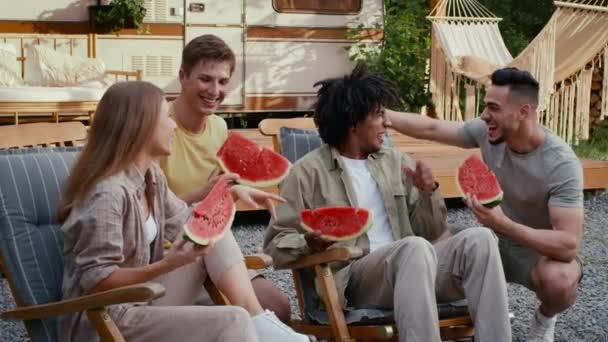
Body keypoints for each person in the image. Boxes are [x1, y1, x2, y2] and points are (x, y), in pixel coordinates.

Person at [263, 65, 512, 342]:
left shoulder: (397, 162)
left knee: (480, 239)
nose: (386, 123)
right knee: (413, 247)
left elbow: (432, 234)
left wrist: (428, 193)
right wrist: (308, 243)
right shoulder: (307, 172)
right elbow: (274, 245)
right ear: (353, 122)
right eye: (378, 115)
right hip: (356, 281)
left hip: (417, 269)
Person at [57, 81, 310, 342]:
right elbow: (98, 280)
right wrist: (167, 264)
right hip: (105, 320)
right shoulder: (107, 193)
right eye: (165, 117)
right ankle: (258, 324)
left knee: (212, 228)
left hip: (141, 300)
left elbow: (188, 220)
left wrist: (229, 195)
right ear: (139, 126)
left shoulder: (150, 177)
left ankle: (258, 318)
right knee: (232, 320)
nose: (173, 125)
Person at [387, 67, 584, 342]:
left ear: (524, 112)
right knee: (425, 250)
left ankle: (544, 319)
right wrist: (384, 115)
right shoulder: (488, 132)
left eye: (493, 108)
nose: (483, 116)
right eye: (484, 107)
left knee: (561, 281)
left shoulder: (562, 164)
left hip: (535, 251)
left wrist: (505, 225)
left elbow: (568, 245)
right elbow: (432, 127)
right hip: (490, 239)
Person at [158, 34, 292, 323]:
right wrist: (202, 194)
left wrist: (238, 188)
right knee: (241, 318)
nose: (215, 91)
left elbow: (219, 192)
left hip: (214, 249)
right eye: (205, 79)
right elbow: (149, 213)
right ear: (182, 76)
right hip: (170, 256)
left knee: (279, 306)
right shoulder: (159, 129)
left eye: (222, 81)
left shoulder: (219, 127)